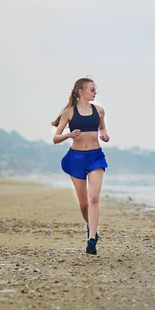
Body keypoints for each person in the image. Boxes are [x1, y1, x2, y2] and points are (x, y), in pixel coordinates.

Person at [51, 77, 110, 255]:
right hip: (76, 158)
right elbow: (56, 138)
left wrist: (104, 135)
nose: (95, 92)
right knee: (84, 204)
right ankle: (89, 225)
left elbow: (103, 129)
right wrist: (70, 134)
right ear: (80, 92)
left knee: (93, 198)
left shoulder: (99, 111)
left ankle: (92, 240)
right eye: (92, 89)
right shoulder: (69, 112)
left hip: (95, 157)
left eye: (95, 90)